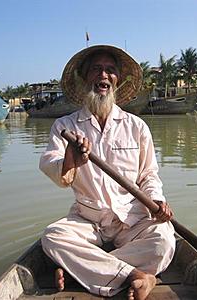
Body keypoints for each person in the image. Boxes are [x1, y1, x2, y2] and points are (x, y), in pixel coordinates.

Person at [39, 45, 175, 300]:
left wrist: (156, 200)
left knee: (165, 240)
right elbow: (52, 167)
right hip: (88, 219)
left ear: (117, 81)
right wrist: (71, 159)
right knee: (53, 237)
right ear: (84, 78)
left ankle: (85, 271)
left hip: (131, 219)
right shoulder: (64, 126)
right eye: (96, 69)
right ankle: (139, 275)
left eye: (110, 70)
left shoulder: (136, 126)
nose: (104, 75)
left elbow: (148, 174)